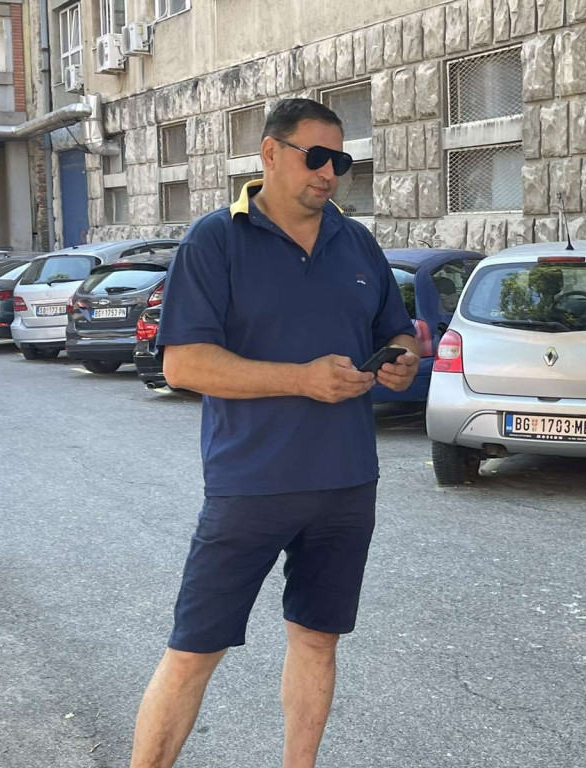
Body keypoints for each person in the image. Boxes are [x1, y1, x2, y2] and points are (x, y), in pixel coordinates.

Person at [128, 98, 420, 768]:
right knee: (194, 649)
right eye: (316, 157)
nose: (329, 173)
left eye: (340, 160)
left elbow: (396, 331)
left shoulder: (356, 241)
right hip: (251, 484)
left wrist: (401, 359)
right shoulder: (215, 239)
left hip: (347, 482)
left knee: (318, 640)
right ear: (269, 154)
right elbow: (183, 365)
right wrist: (302, 379)